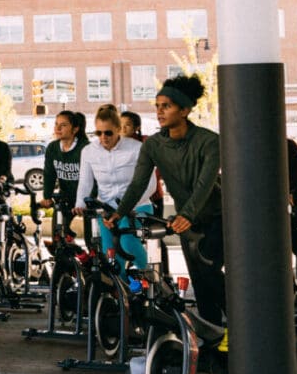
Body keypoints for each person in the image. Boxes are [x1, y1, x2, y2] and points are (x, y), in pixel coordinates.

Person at [108, 75, 224, 326]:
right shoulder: (153, 145)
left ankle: (243, 325)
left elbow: (204, 185)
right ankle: (212, 338)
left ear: (184, 110)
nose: (159, 111)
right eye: (157, 106)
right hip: (186, 222)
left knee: (209, 273)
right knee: (200, 283)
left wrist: (187, 215)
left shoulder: (209, 141)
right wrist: (119, 212)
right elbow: (138, 183)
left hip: (217, 217)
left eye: (166, 106)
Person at [77, 105, 148, 269]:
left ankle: (151, 280)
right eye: (98, 133)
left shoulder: (136, 148)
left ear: (118, 129)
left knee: (127, 241)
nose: (103, 137)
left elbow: (147, 183)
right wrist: (79, 203)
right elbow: (85, 181)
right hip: (107, 207)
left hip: (137, 205)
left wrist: (125, 207)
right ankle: (121, 291)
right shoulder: (88, 151)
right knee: (110, 254)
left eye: (108, 132)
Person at [40, 110, 85, 235]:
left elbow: (95, 179)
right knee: (58, 236)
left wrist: (85, 201)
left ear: (75, 129)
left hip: (86, 198)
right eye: (56, 124)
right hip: (65, 197)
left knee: (92, 241)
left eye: (63, 125)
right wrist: (47, 197)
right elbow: (49, 174)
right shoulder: (52, 148)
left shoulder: (85, 148)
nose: (58, 128)